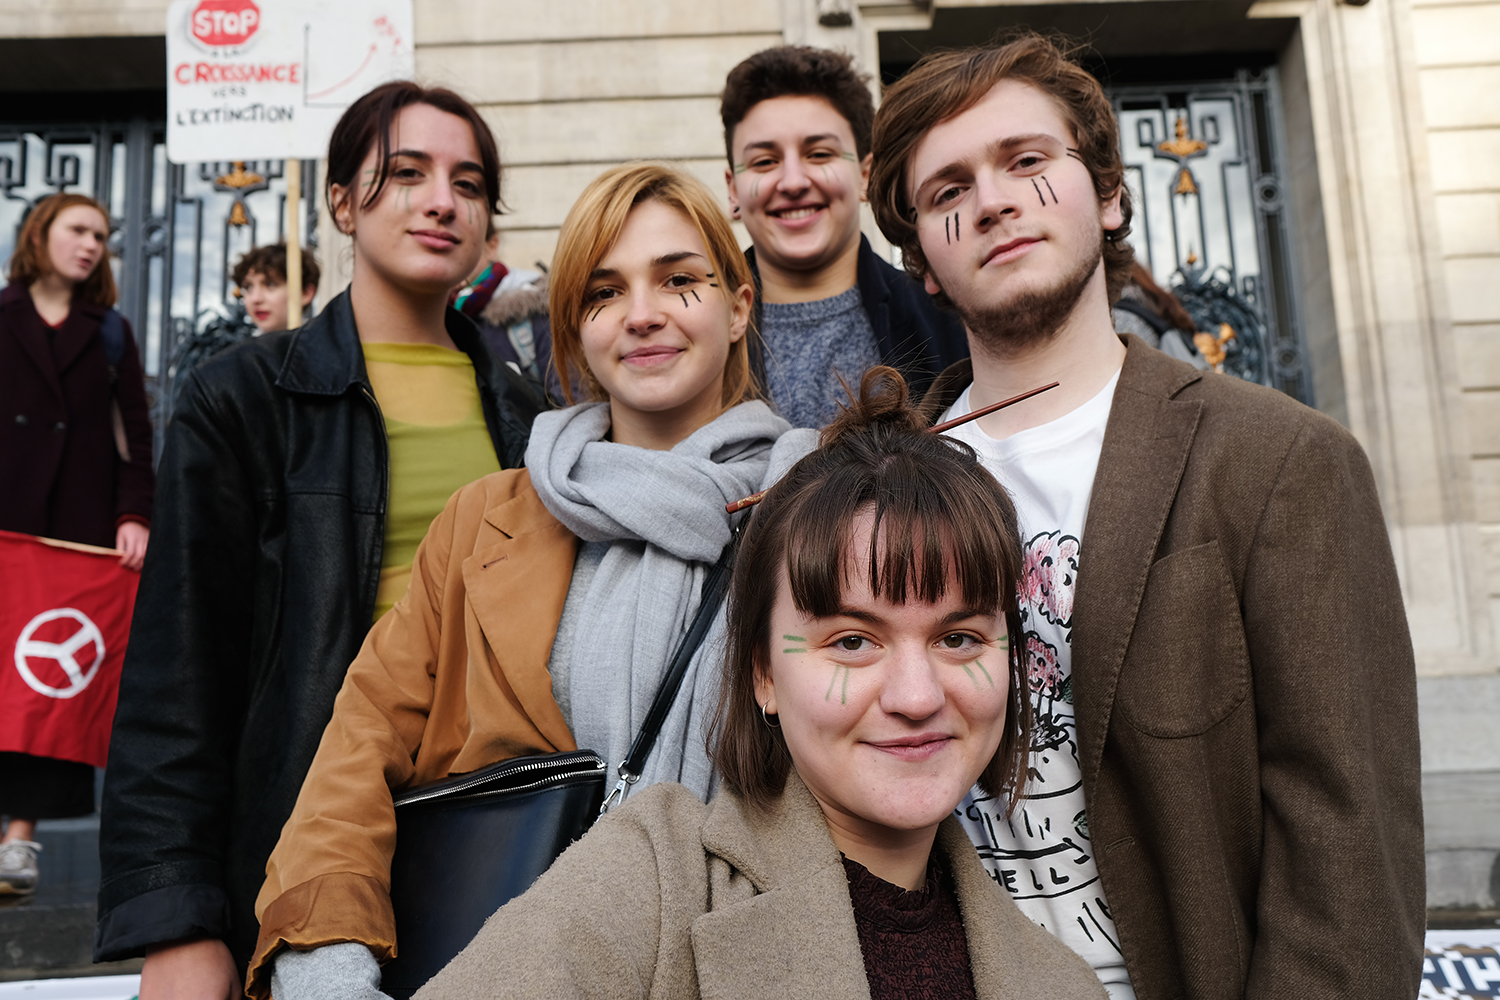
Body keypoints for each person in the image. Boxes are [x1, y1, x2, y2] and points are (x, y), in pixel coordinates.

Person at [865, 33, 1424, 999]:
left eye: (1028, 161)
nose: (992, 200)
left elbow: (1348, 855)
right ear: (921, 263)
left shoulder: (1276, 461)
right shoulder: (871, 491)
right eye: (948, 191)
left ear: (1112, 195)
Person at [247, 162, 814, 1000]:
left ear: (738, 308)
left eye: (679, 280)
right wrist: (328, 966)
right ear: (574, 329)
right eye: (604, 292)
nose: (643, 314)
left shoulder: (822, 513)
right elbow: (358, 749)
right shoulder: (484, 520)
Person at [408, 369, 1108, 1000]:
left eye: (958, 638)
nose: (917, 696)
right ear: (763, 674)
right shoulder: (645, 884)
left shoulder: (1062, 982)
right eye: (853, 642)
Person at [94, 81, 544, 997]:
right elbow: (179, 671)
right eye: (406, 173)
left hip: (500, 838)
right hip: (302, 845)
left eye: (468, 182)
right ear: (342, 200)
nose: (441, 201)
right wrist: (177, 919)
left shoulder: (534, 414)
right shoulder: (243, 397)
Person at [0, 192, 155, 895]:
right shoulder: (1, 317)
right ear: (41, 235)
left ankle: (20, 839)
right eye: (78, 230)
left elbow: (135, 436)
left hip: (77, 531)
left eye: (101, 235)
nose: (92, 244)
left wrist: (134, 516)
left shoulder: (110, 331)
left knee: (52, 681)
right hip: (7, 525)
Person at [720, 46, 967, 427]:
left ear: (865, 175)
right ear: (734, 188)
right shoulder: (692, 330)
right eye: (765, 161)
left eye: (819, 154)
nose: (793, 182)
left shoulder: (945, 317)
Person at [231, 243, 321, 335]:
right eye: (248, 287)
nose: (256, 299)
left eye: (270, 284)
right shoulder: (245, 348)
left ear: (305, 293)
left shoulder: (322, 345)